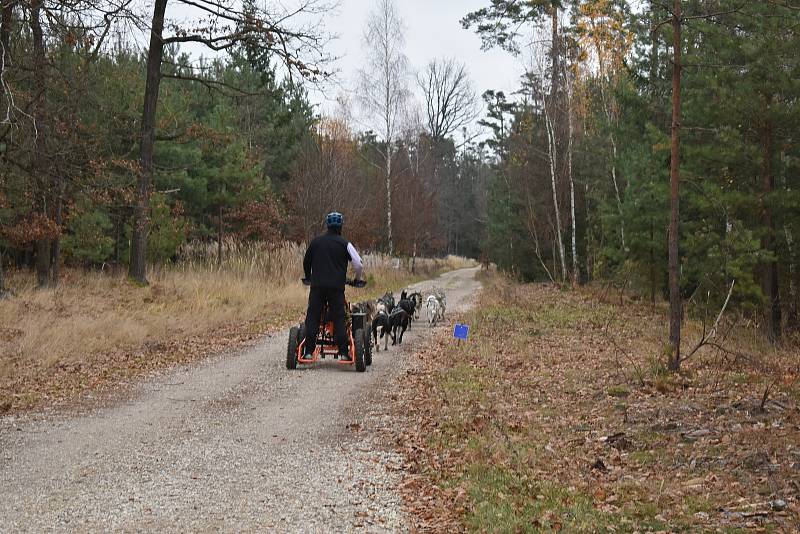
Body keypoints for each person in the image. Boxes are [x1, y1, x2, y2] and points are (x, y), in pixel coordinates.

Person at [302, 212, 363, 360]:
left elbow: (306, 261)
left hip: (317, 287)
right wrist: (357, 279)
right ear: (341, 226)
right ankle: (343, 353)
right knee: (339, 318)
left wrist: (309, 277)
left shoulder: (316, 242)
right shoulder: (345, 244)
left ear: (327, 225)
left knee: (313, 317)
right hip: (336, 288)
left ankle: (308, 352)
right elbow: (358, 263)